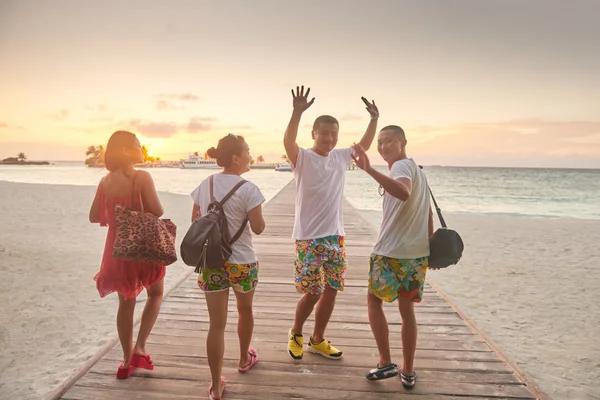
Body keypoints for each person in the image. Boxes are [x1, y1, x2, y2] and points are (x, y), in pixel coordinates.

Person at [283, 85, 379, 360]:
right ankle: (297, 333)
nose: (329, 138)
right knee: (312, 292)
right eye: (324, 133)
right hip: (308, 237)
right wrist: (296, 112)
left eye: (333, 134)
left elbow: (365, 145)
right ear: (313, 134)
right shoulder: (302, 157)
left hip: (335, 236)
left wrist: (373, 120)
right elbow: (288, 141)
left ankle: (318, 339)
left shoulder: (339, 157)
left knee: (332, 290)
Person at [351, 125, 434, 389]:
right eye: (379, 143)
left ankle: (386, 361)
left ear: (403, 142)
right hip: (416, 255)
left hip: (389, 253)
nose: (383, 147)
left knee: (373, 302)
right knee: (407, 311)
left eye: (388, 141)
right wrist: (428, 249)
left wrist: (370, 170)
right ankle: (408, 370)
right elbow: (428, 213)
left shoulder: (400, 168)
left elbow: (403, 191)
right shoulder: (418, 170)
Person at [190, 134, 266, 400]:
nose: (250, 154)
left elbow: (196, 221)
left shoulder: (206, 184)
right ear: (236, 157)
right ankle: (244, 359)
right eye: (247, 150)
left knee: (216, 325)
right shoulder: (249, 189)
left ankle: (216, 384)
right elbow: (258, 227)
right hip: (242, 261)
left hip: (212, 263)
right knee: (245, 311)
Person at [89, 130, 166, 379]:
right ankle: (140, 347)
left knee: (125, 303)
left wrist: (117, 213)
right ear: (124, 150)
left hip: (117, 249)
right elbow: (157, 209)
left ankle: (125, 360)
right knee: (155, 293)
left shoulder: (105, 182)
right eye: (136, 145)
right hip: (143, 245)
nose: (141, 148)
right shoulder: (141, 177)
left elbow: (94, 216)